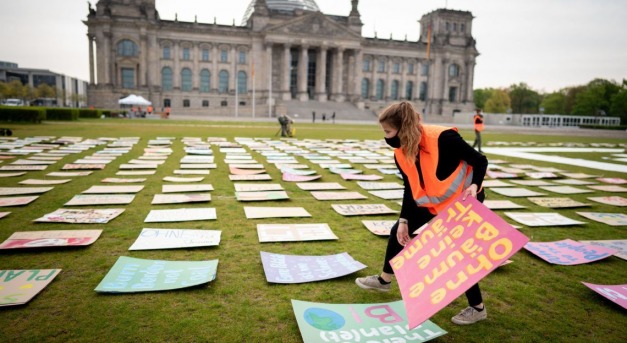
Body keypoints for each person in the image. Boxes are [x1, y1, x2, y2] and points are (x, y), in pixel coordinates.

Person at [355, 101, 489, 325]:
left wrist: (474, 185)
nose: (386, 137)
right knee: (398, 230)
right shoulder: (401, 152)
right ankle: (385, 280)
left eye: (388, 131)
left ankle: (478, 308)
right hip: (433, 201)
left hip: (464, 200)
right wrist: (405, 219)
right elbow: (411, 187)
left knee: (456, 251)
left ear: (404, 127)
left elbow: (480, 160)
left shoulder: (443, 138)